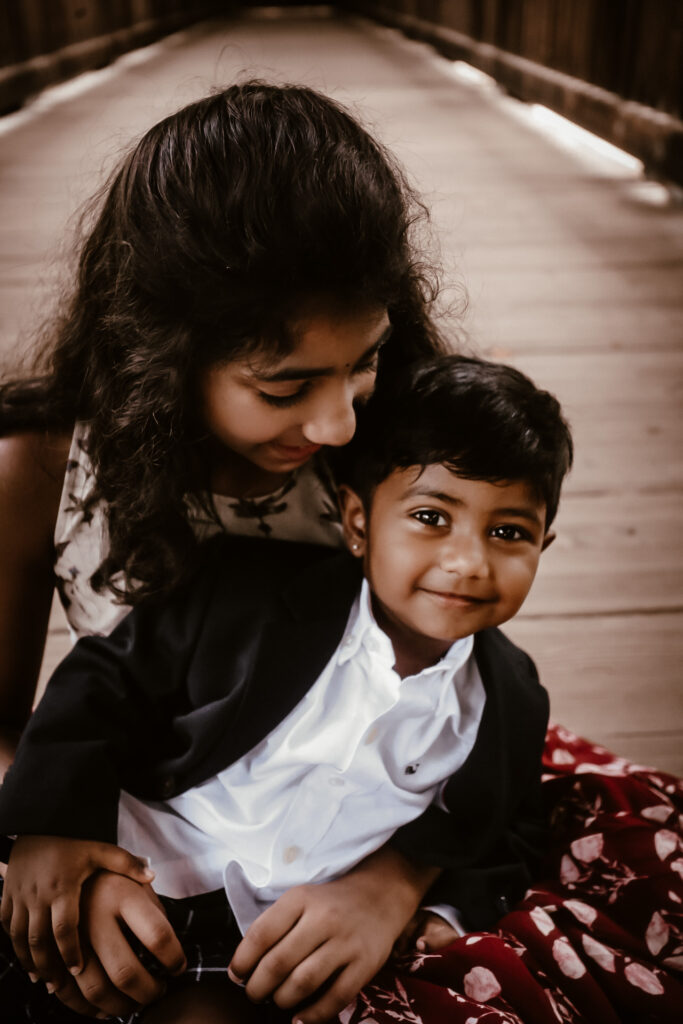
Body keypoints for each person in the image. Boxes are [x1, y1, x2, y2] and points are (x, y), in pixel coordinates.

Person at [0, 80, 451, 1015]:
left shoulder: (398, 451)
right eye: (284, 387)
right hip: (122, 818)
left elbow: (453, 691)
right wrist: (61, 838)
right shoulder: (40, 466)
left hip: (357, 821)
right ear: (161, 358)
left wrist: (395, 881)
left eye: (362, 361)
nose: (334, 422)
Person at [0, 354, 574, 1024]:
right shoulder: (252, 597)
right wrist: (51, 827)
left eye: (508, 533)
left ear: (544, 544)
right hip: (138, 868)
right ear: (357, 523)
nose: (468, 561)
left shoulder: (509, 695)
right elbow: (102, 683)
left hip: (266, 946)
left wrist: (436, 906)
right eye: (429, 517)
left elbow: (505, 825)